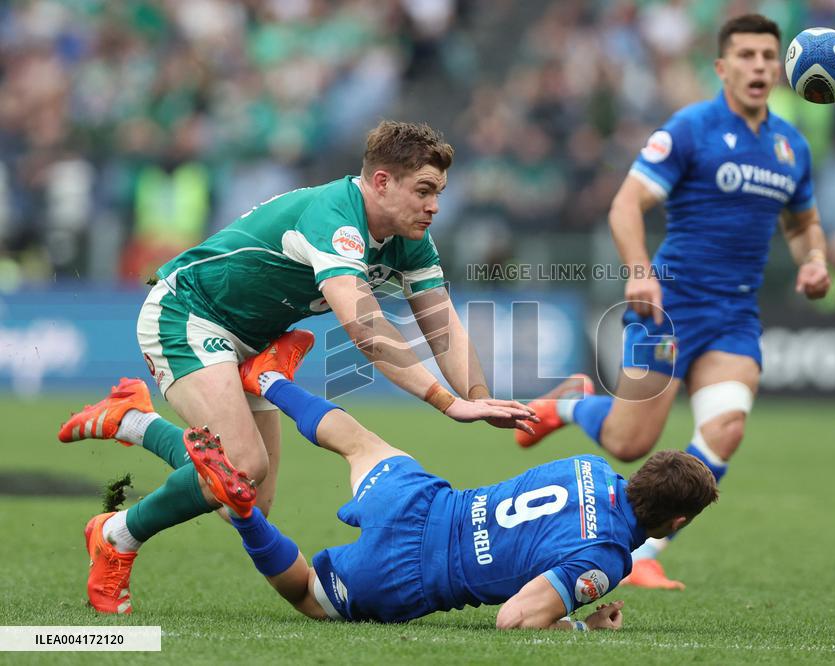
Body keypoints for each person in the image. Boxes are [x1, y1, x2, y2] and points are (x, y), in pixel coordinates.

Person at [59, 120, 536, 614]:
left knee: (246, 501)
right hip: (189, 315)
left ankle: (133, 420)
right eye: (424, 190)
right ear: (381, 182)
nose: (434, 205)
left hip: (253, 341)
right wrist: (446, 401)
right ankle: (116, 535)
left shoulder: (409, 238)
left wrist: (479, 397)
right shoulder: (335, 217)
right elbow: (367, 328)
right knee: (240, 469)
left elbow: (442, 327)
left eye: (438, 192)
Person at [515, 14, 831, 589]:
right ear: (722, 67)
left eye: (768, 56)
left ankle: (644, 553)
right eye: (746, 55)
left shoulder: (791, 147)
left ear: (780, 68)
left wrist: (814, 259)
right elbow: (625, 205)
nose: (759, 65)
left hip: (734, 316)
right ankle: (572, 403)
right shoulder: (690, 129)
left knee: (726, 429)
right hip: (670, 307)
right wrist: (640, 273)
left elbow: (803, 222)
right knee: (629, 442)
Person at [171, 333, 718, 627]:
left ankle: (268, 376)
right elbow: (515, 619)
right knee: (309, 597)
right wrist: (582, 627)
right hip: (410, 574)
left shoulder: (590, 467)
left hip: (422, 502)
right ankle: (244, 513)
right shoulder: (607, 559)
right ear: (676, 521)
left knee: (360, 443)